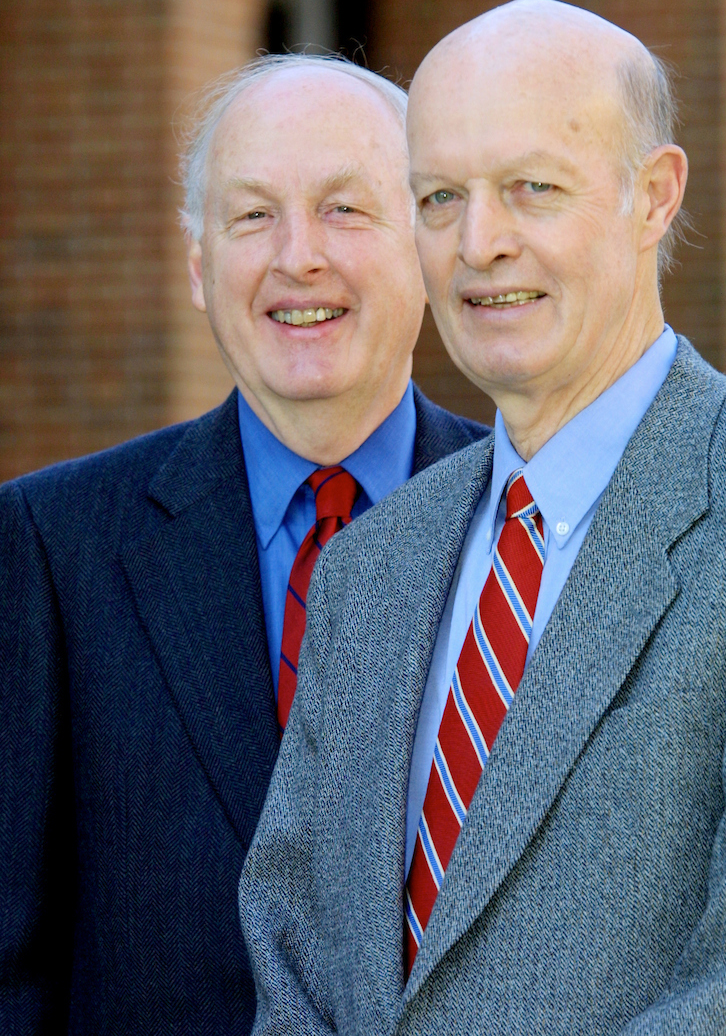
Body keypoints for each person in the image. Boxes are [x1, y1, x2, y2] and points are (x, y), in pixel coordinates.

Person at [240, 1, 726, 1035]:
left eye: (530, 189)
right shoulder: (371, 566)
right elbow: (290, 949)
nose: (478, 243)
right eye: (440, 197)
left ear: (652, 196)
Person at [0, 54, 487, 1036]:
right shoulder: (50, 548)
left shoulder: (544, 527)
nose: (296, 257)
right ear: (195, 266)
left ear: (431, 247)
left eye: (345, 210)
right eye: (252, 216)